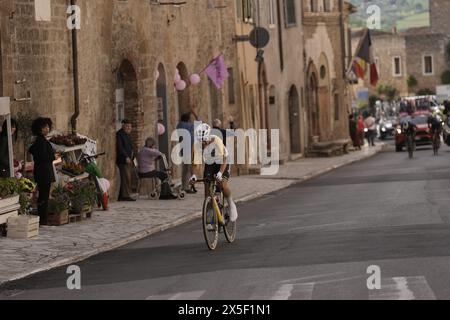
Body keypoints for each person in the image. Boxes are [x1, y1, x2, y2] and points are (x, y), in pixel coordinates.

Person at [190, 123, 238, 223]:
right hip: (210, 164)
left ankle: (231, 203)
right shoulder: (197, 145)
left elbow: (224, 159)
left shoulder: (216, 141)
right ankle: (210, 212)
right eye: (200, 141)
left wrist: (220, 173)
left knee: (223, 184)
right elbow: (195, 164)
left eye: (204, 141)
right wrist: (194, 175)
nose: (202, 143)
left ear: (208, 137)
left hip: (222, 162)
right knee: (207, 188)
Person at [29, 117, 59, 226]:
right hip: (44, 173)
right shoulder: (41, 141)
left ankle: (43, 219)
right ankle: (43, 220)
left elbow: (34, 151)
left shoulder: (40, 140)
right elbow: (42, 156)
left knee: (43, 196)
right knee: (44, 197)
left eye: (47, 127)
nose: (47, 129)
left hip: (42, 172)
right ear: (39, 129)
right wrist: (53, 156)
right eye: (44, 127)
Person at [116, 119, 135, 201]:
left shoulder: (128, 135)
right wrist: (126, 156)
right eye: (127, 126)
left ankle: (124, 194)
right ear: (123, 125)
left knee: (128, 177)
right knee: (125, 177)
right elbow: (120, 147)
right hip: (123, 160)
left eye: (130, 126)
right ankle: (124, 196)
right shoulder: (119, 134)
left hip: (129, 159)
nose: (129, 128)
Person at [176, 113, 196, 194]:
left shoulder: (179, 125)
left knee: (185, 169)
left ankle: (186, 185)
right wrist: (194, 114)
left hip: (182, 147)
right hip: (188, 148)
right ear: (188, 119)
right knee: (187, 169)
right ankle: (185, 187)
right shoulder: (189, 125)